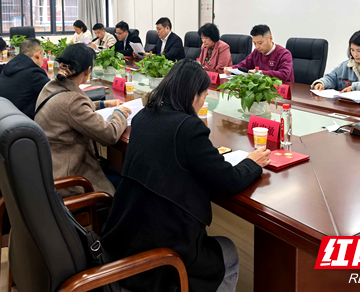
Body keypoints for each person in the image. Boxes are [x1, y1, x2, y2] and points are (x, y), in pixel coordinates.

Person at [102, 59, 271, 292]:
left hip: (124, 237)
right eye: (204, 97)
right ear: (194, 96)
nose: (202, 103)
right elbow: (230, 181)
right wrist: (252, 162)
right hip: (162, 253)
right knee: (229, 251)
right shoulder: (188, 128)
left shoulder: (144, 116)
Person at [34, 44, 131, 197]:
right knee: (127, 187)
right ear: (88, 70)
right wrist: (119, 113)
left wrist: (102, 104)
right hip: (70, 177)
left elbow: (70, 109)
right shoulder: (73, 101)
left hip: (50, 165)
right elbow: (110, 135)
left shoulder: (50, 86)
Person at [0, 38, 50, 119]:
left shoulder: (10, 65)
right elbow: (54, 91)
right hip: (18, 120)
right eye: (43, 55)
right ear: (38, 54)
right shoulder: (34, 74)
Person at [224, 25, 295, 82]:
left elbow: (283, 75)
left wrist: (259, 73)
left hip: (281, 90)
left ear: (270, 39)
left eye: (260, 43)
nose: (257, 47)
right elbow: (244, 65)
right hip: (261, 88)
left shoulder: (284, 54)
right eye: (254, 43)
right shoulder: (256, 52)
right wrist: (231, 69)